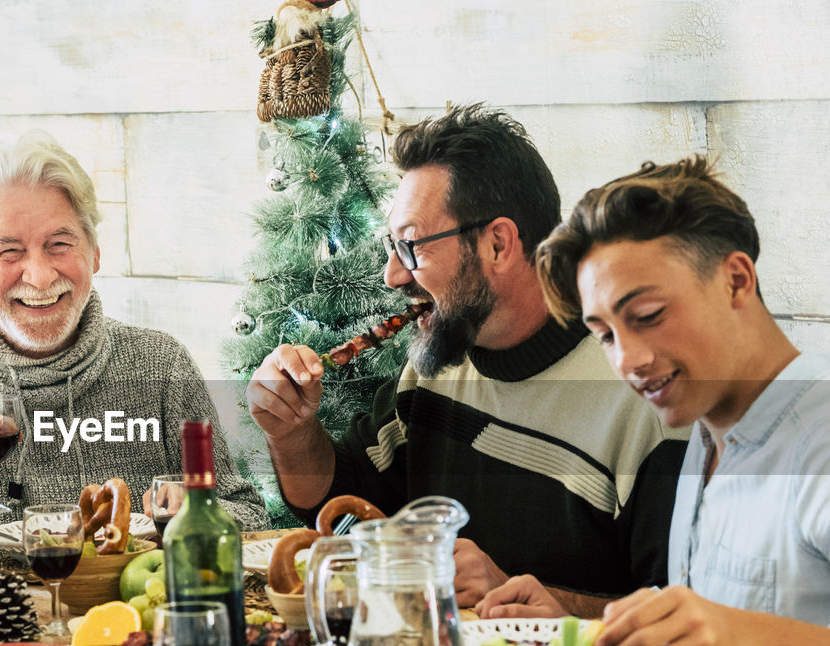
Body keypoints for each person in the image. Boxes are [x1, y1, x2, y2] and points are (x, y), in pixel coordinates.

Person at [247, 104, 687, 615]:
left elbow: (688, 615)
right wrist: (292, 432)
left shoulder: (644, 399)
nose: (393, 275)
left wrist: (541, 601)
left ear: (498, 244)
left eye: (410, 246)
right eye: (393, 247)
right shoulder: (438, 365)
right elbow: (339, 507)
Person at [483, 155, 830, 646]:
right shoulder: (704, 429)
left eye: (647, 317)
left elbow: (726, 635)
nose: (631, 360)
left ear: (736, 280)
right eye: (606, 334)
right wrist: (578, 629)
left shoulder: (823, 439)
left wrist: (737, 635)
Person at [0, 130, 268, 530]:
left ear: (94, 251)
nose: (40, 277)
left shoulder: (162, 366)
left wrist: (200, 515)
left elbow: (250, 516)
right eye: (9, 251)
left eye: (59, 243)